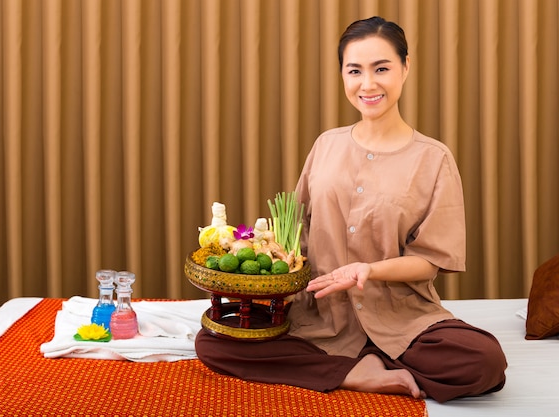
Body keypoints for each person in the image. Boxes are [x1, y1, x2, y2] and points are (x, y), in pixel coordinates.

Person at [195, 16, 507, 403]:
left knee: (483, 362)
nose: (368, 83)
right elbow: (298, 235)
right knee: (213, 340)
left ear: (405, 68)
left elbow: (430, 260)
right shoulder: (327, 145)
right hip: (318, 316)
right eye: (354, 70)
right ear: (343, 74)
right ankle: (358, 373)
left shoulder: (433, 159)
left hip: (400, 316)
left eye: (382, 69)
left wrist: (369, 270)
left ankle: (360, 362)